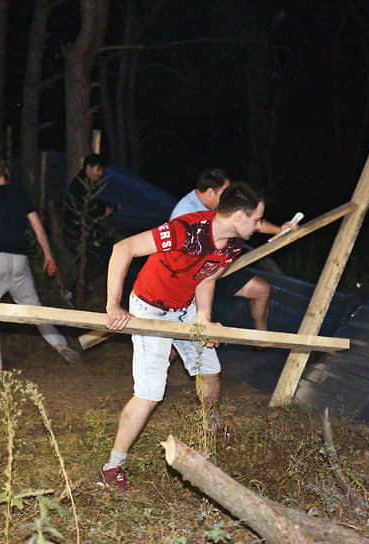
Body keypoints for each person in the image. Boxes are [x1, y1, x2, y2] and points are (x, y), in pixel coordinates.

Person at [98, 182, 265, 490]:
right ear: (239, 216)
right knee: (149, 394)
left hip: (185, 307)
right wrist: (113, 305)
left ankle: (210, 433)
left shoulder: (233, 244)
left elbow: (207, 278)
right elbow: (124, 248)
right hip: (149, 307)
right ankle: (112, 467)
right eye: (256, 220)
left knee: (210, 374)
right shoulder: (187, 230)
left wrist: (203, 320)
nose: (258, 227)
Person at [0, 156, 80, 373]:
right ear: (5, 172)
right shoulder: (20, 194)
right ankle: (59, 343)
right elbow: (38, 228)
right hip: (19, 261)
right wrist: (48, 256)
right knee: (34, 307)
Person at [170, 169, 294, 331]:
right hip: (190, 279)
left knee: (261, 289)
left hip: (214, 270)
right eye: (225, 192)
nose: (229, 196)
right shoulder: (187, 216)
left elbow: (250, 220)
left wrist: (280, 230)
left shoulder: (219, 205)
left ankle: (261, 340)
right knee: (184, 338)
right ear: (210, 192)